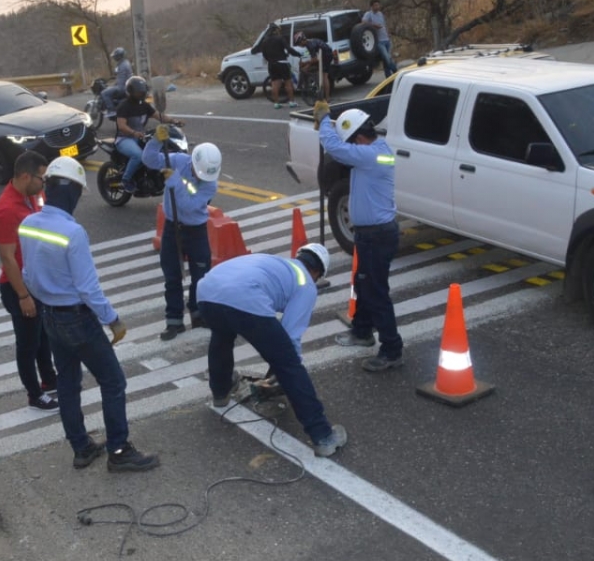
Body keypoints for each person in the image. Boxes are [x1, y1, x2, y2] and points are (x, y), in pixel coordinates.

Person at [18, 156, 160, 472]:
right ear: (70, 191)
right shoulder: (73, 232)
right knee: (113, 382)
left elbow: (28, 275)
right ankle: (119, 451)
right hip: (78, 319)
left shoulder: (28, 224)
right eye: (79, 192)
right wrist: (113, 320)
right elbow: (88, 288)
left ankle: (81, 448)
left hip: (51, 318)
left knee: (68, 383)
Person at [197, 244, 348, 458]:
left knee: (221, 337)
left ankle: (220, 393)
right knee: (289, 366)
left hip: (206, 293)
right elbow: (290, 336)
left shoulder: (279, 264)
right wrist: (283, 367)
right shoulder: (305, 282)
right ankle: (323, 436)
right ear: (318, 272)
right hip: (243, 296)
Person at [317, 107, 404, 372]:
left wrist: (322, 121)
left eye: (351, 140)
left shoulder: (371, 155)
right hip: (374, 234)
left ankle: (392, 349)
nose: (351, 145)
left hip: (376, 235)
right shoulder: (379, 150)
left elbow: (333, 147)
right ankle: (362, 331)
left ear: (358, 138)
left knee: (376, 292)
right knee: (363, 283)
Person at [0, 151, 59, 412]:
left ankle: (49, 379)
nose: (43, 183)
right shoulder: (7, 210)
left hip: (32, 282)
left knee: (42, 335)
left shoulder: (28, 197)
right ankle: (34, 394)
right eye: (41, 178)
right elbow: (7, 258)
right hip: (17, 287)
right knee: (28, 343)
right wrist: (23, 296)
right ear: (24, 176)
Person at [141, 127, 221, 340]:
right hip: (171, 228)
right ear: (193, 162)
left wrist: (175, 182)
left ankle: (198, 313)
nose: (198, 176)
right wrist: (156, 142)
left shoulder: (210, 185)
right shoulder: (177, 160)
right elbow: (149, 160)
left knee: (200, 277)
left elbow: (188, 206)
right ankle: (174, 321)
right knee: (172, 276)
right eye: (196, 170)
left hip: (196, 231)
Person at [115, 76, 182, 193]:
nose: (141, 94)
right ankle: (126, 179)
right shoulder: (124, 106)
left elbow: (159, 116)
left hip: (140, 136)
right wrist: (134, 133)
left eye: (142, 91)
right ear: (131, 92)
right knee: (139, 155)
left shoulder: (144, 105)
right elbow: (121, 126)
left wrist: (174, 121)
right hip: (125, 139)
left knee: (159, 151)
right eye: (138, 91)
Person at [251, 23, 299, 109]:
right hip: (282, 63)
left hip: (272, 65)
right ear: (275, 30)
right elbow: (289, 49)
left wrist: (270, 60)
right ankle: (292, 102)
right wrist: (298, 54)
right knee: (288, 83)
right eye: (278, 30)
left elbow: (264, 55)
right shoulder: (280, 38)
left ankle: (276, 103)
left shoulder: (265, 41)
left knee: (275, 84)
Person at [294, 32, 335, 101]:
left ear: (302, 41)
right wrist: (306, 64)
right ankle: (323, 94)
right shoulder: (310, 41)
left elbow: (315, 59)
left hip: (326, 56)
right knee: (316, 70)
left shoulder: (310, 45)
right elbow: (315, 58)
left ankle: (327, 98)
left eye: (299, 43)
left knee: (324, 76)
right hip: (325, 54)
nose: (300, 46)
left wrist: (306, 65)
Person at [362, 0, 396, 78]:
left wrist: (388, 34)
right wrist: (374, 25)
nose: (378, 7)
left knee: (386, 59)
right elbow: (363, 22)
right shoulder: (369, 14)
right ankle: (395, 70)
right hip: (379, 41)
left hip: (386, 39)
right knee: (387, 58)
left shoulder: (380, 14)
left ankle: (388, 77)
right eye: (376, 5)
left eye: (378, 5)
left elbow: (384, 25)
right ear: (372, 6)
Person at [99, 47, 132, 116]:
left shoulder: (122, 65)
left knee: (104, 93)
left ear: (119, 56)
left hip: (122, 87)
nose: (114, 58)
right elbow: (120, 78)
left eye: (115, 56)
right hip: (125, 86)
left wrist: (114, 85)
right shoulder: (125, 63)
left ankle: (111, 110)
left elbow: (121, 81)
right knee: (109, 89)